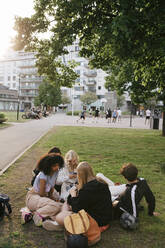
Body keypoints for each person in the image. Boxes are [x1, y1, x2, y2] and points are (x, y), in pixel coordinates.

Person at [67, 162, 112, 231]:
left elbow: (76, 209)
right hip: (107, 217)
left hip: (97, 221)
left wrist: (73, 195)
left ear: (80, 175)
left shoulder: (86, 190)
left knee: (65, 215)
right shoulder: (102, 183)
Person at [24, 154, 65, 230]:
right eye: (54, 166)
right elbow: (41, 194)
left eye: (58, 165)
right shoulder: (43, 175)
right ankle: (35, 215)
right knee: (55, 206)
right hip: (34, 196)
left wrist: (51, 197)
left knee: (61, 206)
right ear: (48, 166)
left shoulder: (56, 172)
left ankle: (37, 215)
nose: (57, 167)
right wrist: (50, 200)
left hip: (42, 198)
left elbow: (51, 187)